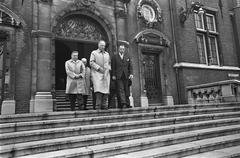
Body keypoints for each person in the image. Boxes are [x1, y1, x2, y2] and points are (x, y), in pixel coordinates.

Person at [90, 40, 111, 110]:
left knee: (106, 90)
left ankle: (104, 105)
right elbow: (91, 62)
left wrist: (107, 70)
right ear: (98, 45)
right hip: (97, 74)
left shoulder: (107, 54)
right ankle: (98, 106)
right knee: (98, 90)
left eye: (104, 46)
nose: (103, 47)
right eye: (101, 45)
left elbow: (109, 63)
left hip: (106, 74)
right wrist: (99, 68)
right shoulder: (94, 53)